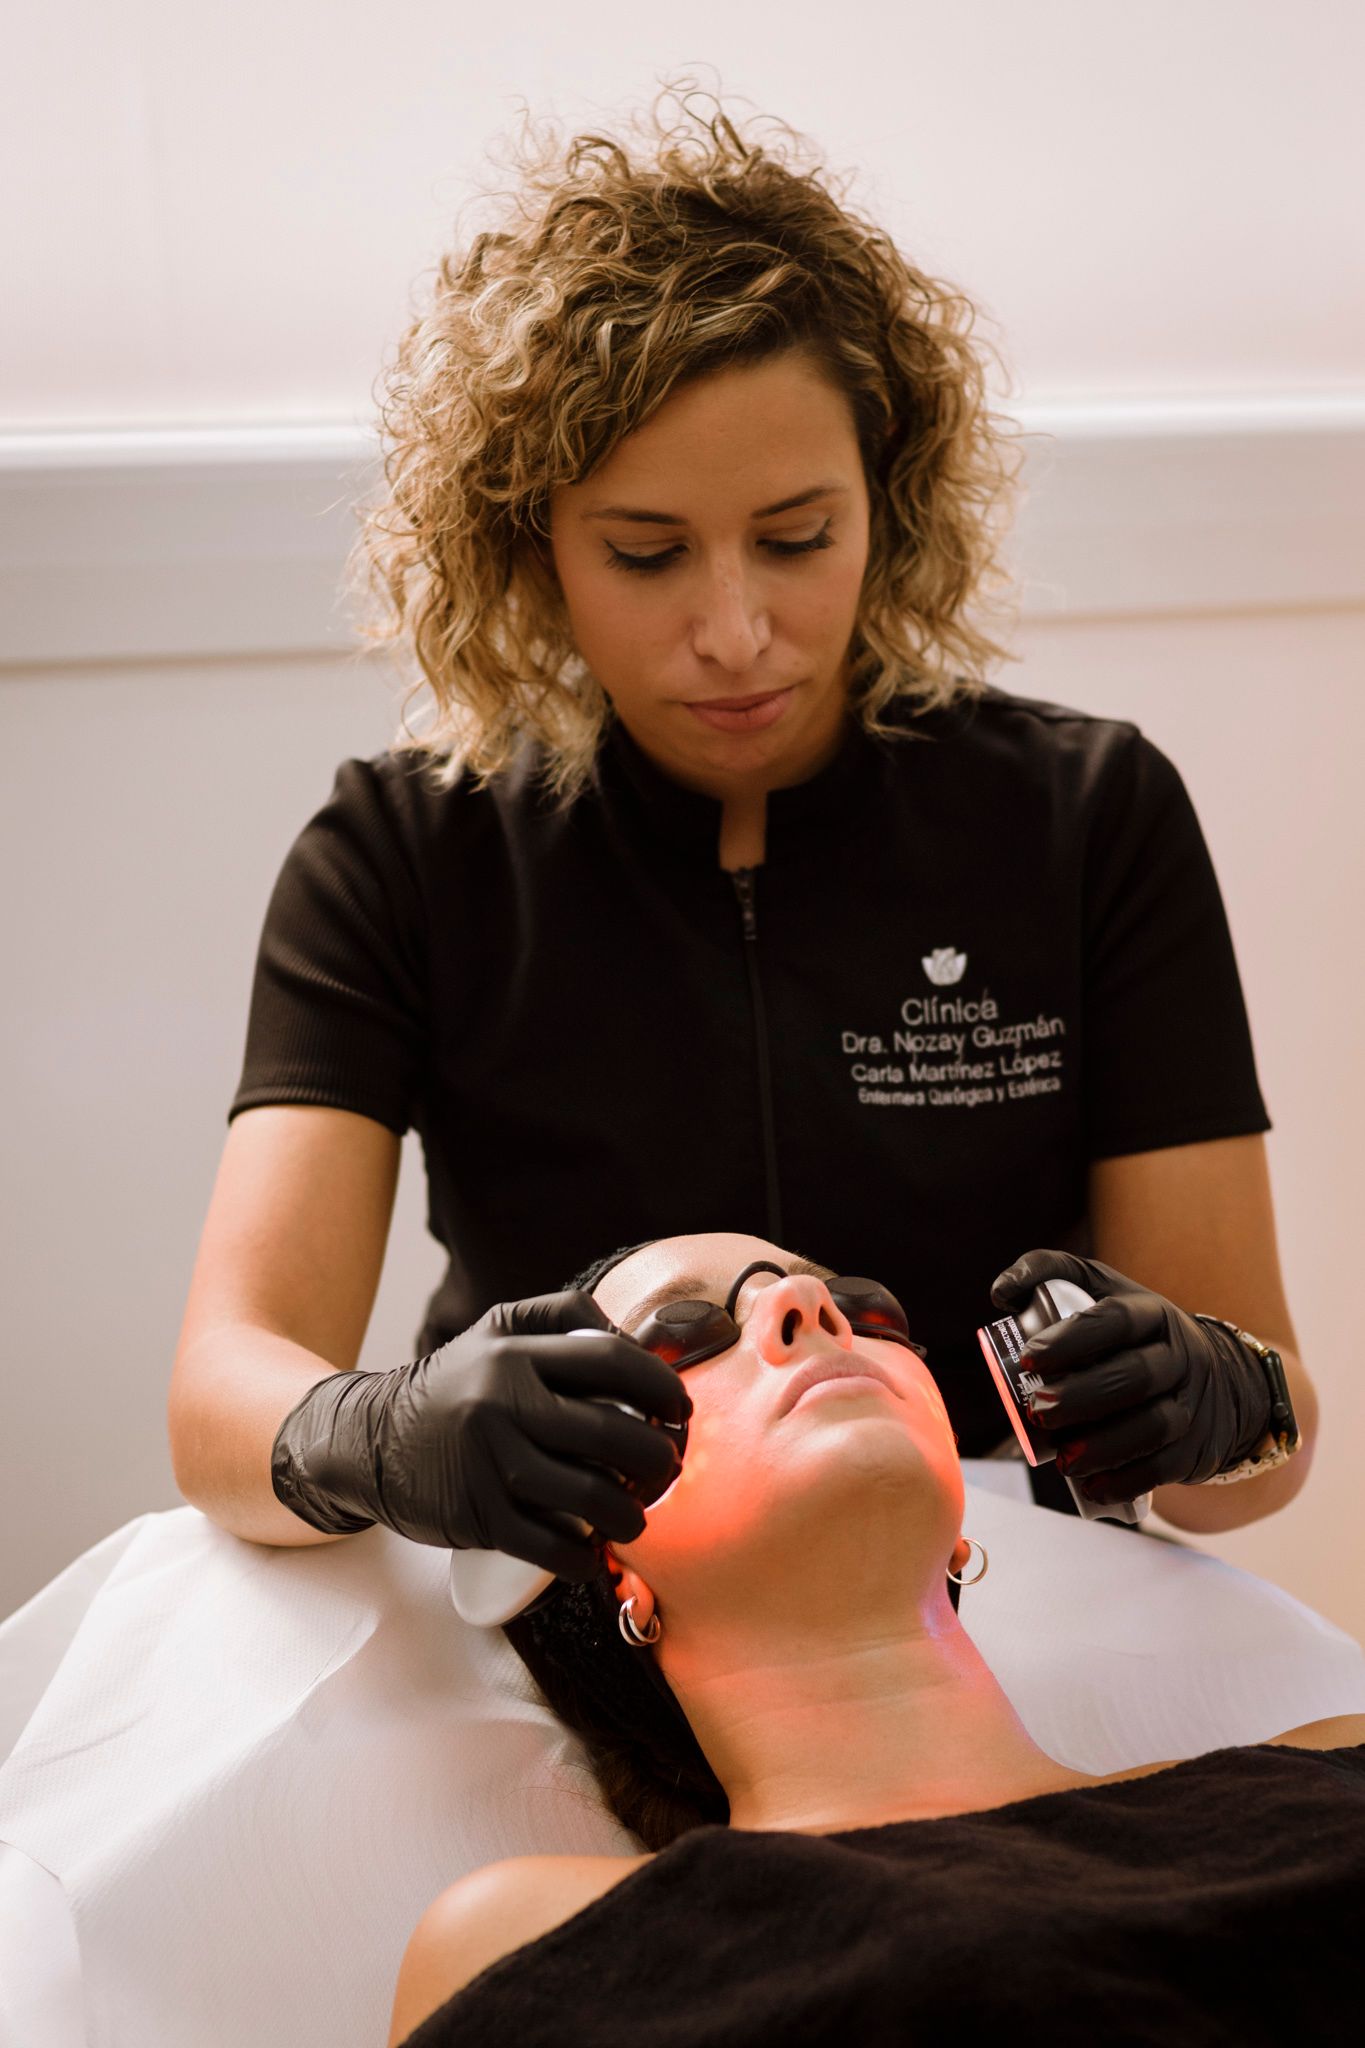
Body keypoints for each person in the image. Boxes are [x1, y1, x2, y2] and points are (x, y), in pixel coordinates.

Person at [167, 80, 1316, 1601]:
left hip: (1003, 1590)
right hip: (566, 1602)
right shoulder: (402, 853)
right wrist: (383, 1436)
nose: (736, 631)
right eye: (645, 554)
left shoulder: (1085, 818)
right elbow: (220, 1404)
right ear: (532, 542)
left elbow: (1261, 1449)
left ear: (884, 491)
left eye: (797, 537)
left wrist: (1214, 1400)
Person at [385, 1233, 1361, 2048]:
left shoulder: (1336, 1766)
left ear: (962, 1527)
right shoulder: (537, 1943)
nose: (812, 1301)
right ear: (611, 1570)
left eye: (868, 1306)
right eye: (682, 1333)